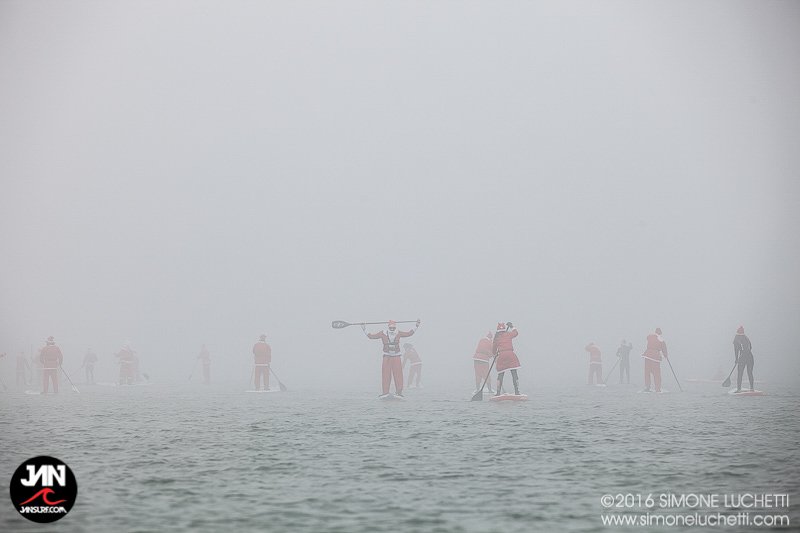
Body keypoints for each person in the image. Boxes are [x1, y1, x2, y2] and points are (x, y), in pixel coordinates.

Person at [363, 319, 420, 398]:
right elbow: (371, 336)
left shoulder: (398, 333)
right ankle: (385, 392)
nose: (392, 329)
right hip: (387, 356)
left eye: (393, 328)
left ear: (395, 327)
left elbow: (409, 333)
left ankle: (399, 392)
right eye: (391, 328)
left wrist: (416, 326)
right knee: (385, 374)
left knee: (398, 374)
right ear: (388, 327)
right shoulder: (382, 333)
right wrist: (364, 329)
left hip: (396, 356)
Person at [492, 322, 521, 395]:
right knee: (514, 373)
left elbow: (493, 350)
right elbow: (516, 333)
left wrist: (495, 354)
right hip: (511, 355)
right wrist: (512, 326)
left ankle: (498, 393)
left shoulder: (496, 338)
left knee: (500, 374)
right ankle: (517, 391)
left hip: (502, 356)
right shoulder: (508, 334)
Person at [642, 327, 668, 393]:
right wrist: (666, 356)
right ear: (661, 333)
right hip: (655, 358)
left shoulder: (650, 337)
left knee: (647, 372)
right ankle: (657, 388)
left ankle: (647, 387)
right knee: (657, 374)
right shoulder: (661, 340)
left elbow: (647, 337)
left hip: (647, 356)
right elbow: (664, 350)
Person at [733, 326, 755, 392]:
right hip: (750, 356)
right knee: (750, 372)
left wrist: (736, 359)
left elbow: (736, 350)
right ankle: (752, 388)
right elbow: (750, 347)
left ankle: (738, 389)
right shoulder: (746, 338)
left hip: (743, 357)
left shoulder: (736, 338)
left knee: (740, 373)